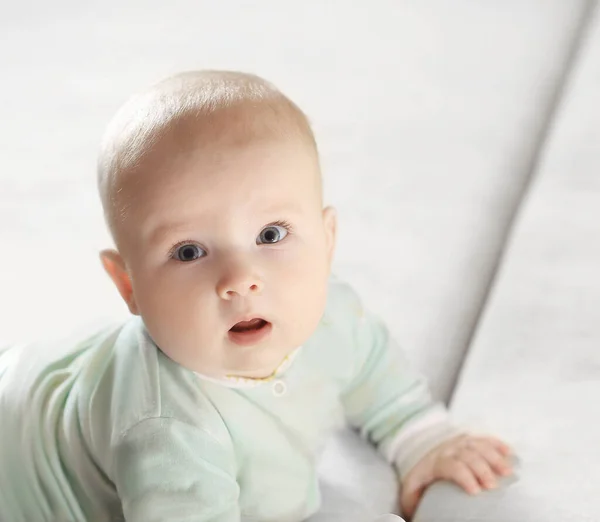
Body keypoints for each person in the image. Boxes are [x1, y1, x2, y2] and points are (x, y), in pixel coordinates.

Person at [0, 70, 513, 522]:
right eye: (189, 251)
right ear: (128, 285)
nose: (239, 279)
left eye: (271, 235)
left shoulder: (331, 311)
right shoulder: (166, 430)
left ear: (327, 240)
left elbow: (372, 369)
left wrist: (420, 437)